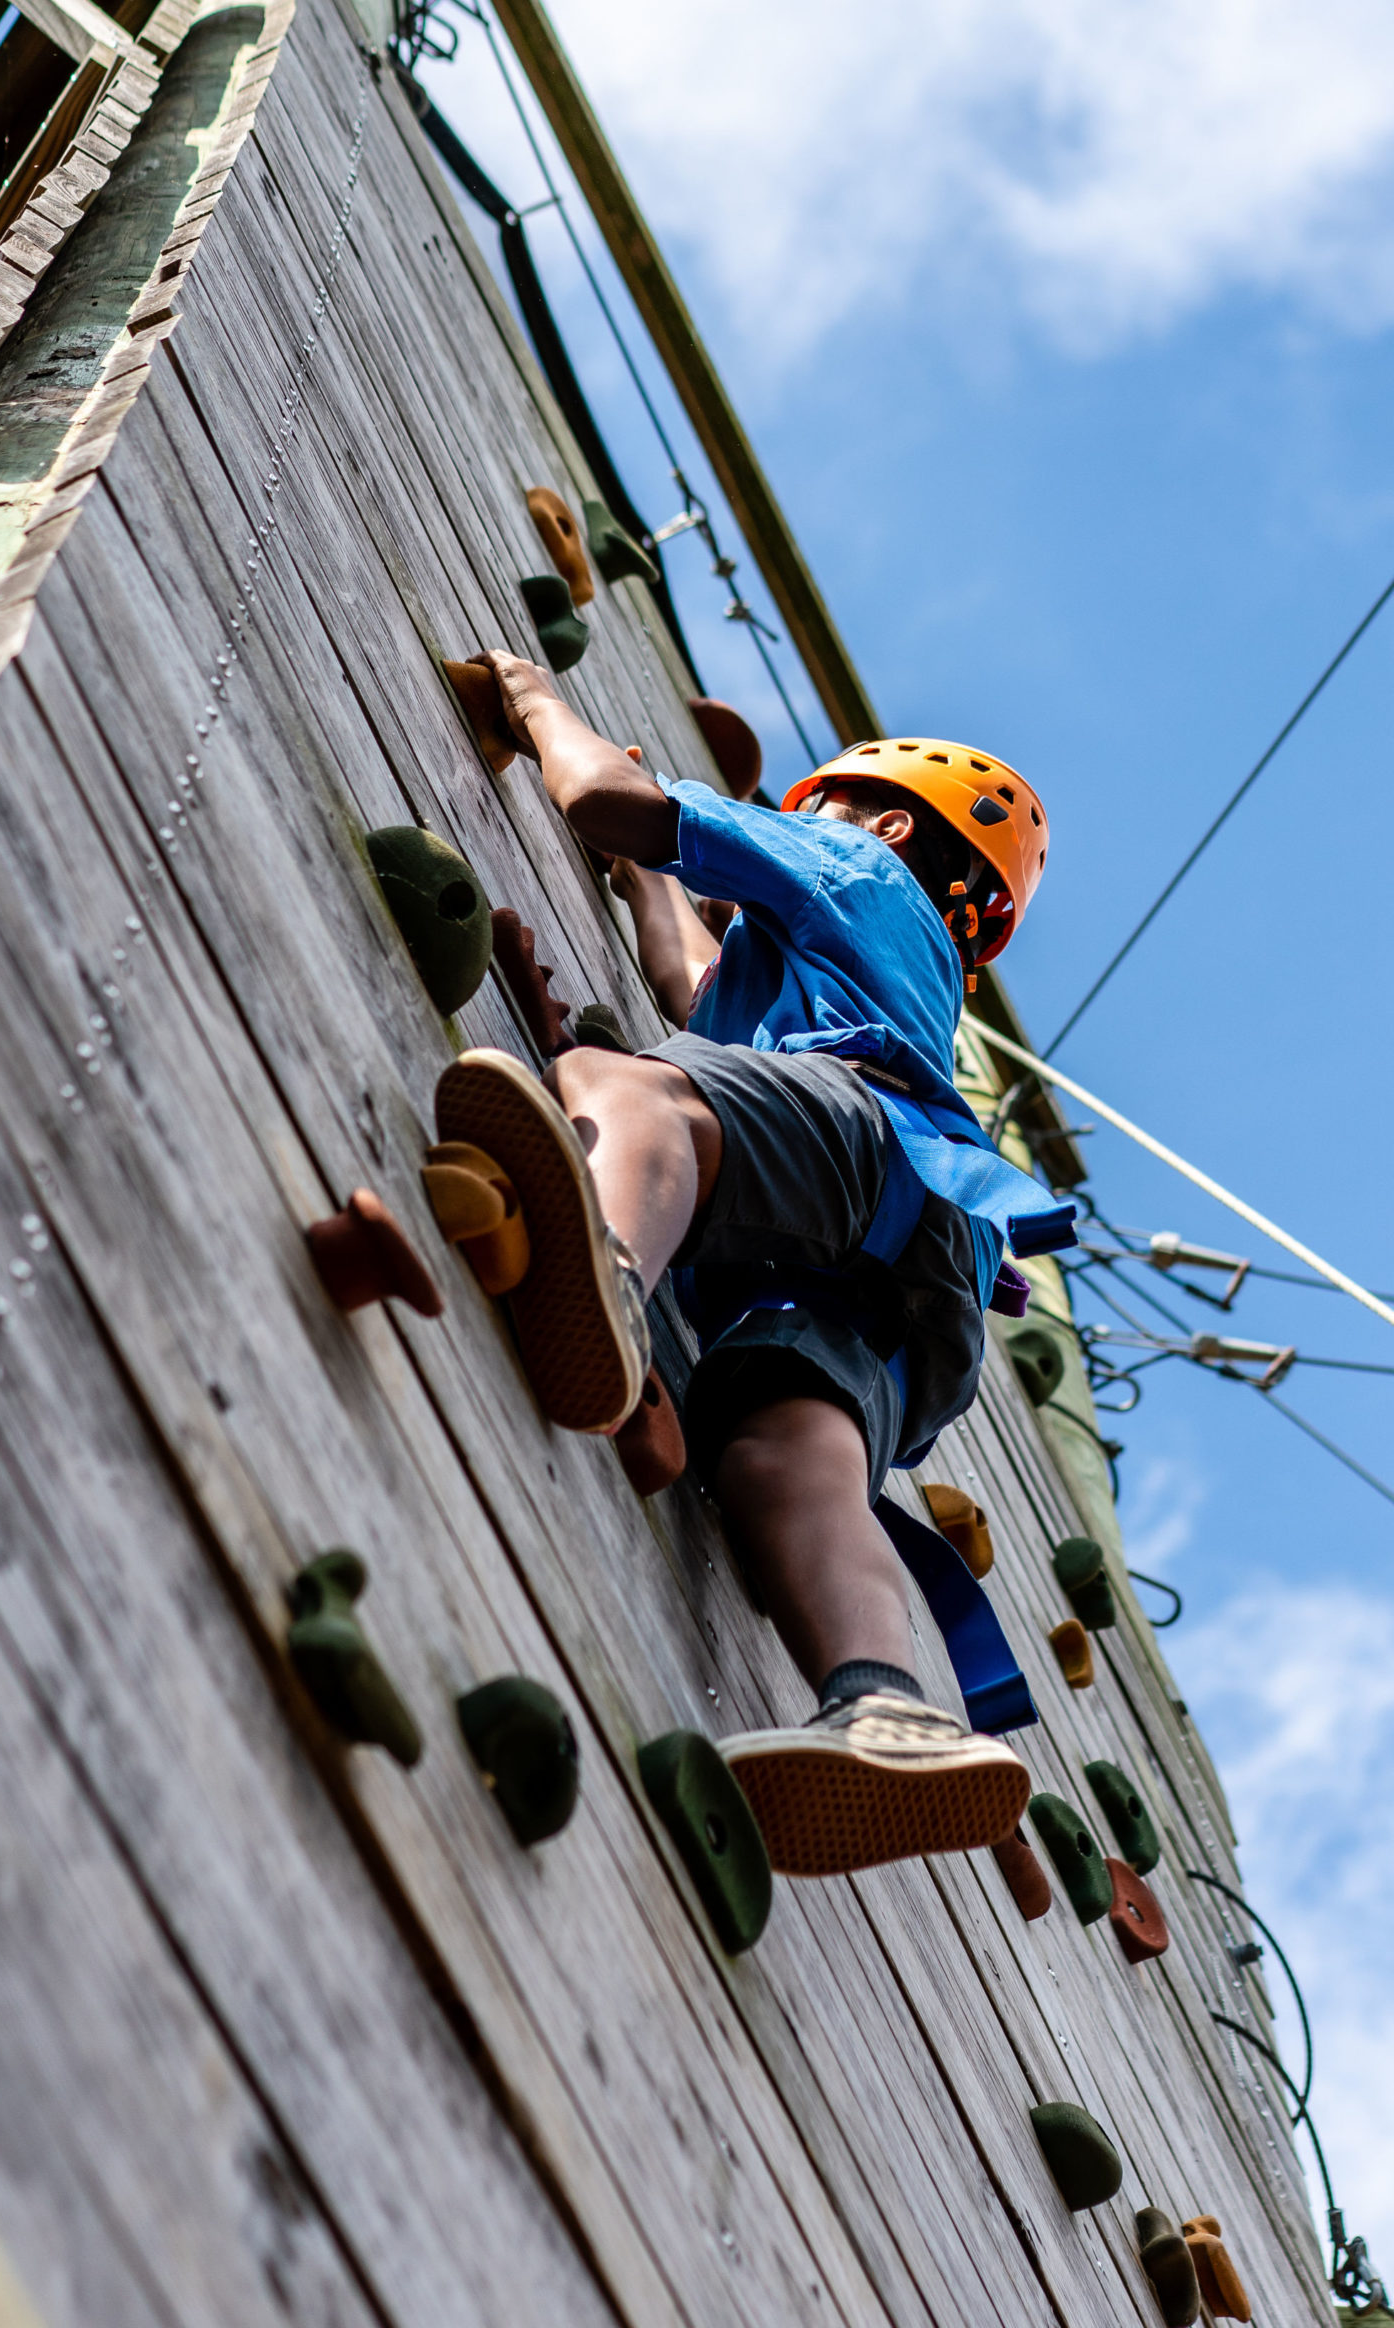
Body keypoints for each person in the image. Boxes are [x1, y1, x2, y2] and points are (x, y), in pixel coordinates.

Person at [432, 654, 1072, 1877]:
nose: (792, 826)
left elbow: (607, 804)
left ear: (887, 823)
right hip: (912, 1270)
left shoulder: (859, 863)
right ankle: (885, 1705)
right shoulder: (861, 967)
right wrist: (640, 882)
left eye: (808, 811)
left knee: (620, 1089)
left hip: (856, 1141)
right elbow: (692, 980)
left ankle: (611, 1276)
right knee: (783, 1455)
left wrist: (533, 701)